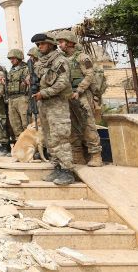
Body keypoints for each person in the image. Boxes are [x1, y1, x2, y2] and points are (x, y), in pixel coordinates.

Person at [31, 32, 75, 185]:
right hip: (45, 104)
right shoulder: (41, 62)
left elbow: (62, 83)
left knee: (60, 136)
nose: (39, 47)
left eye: (42, 44)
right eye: (38, 45)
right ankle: (57, 166)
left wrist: (44, 93)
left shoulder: (60, 61)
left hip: (57, 103)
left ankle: (67, 170)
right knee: (49, 138)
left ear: (50, 44)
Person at [56, 30, 104, 167]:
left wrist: (79, 90)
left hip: (81, 96)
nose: (59, 44)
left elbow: (90, 75)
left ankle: (96, 156)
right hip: (68, 97)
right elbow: (59, 78)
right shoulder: (63, 60)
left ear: (70, 42)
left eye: (61, 42)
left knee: (88, 125)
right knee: (71, 127)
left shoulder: (83, 58)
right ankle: (78, 156)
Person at [6, 48, 31, 140]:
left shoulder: (26, 69)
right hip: (12, 99)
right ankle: (21, 144)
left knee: (26, 123)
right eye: (10, 59)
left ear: (19, 58)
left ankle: (31, 145)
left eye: (13, 58)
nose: (11, 60)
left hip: (22, 98)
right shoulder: (11, 71)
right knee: (15, 124)